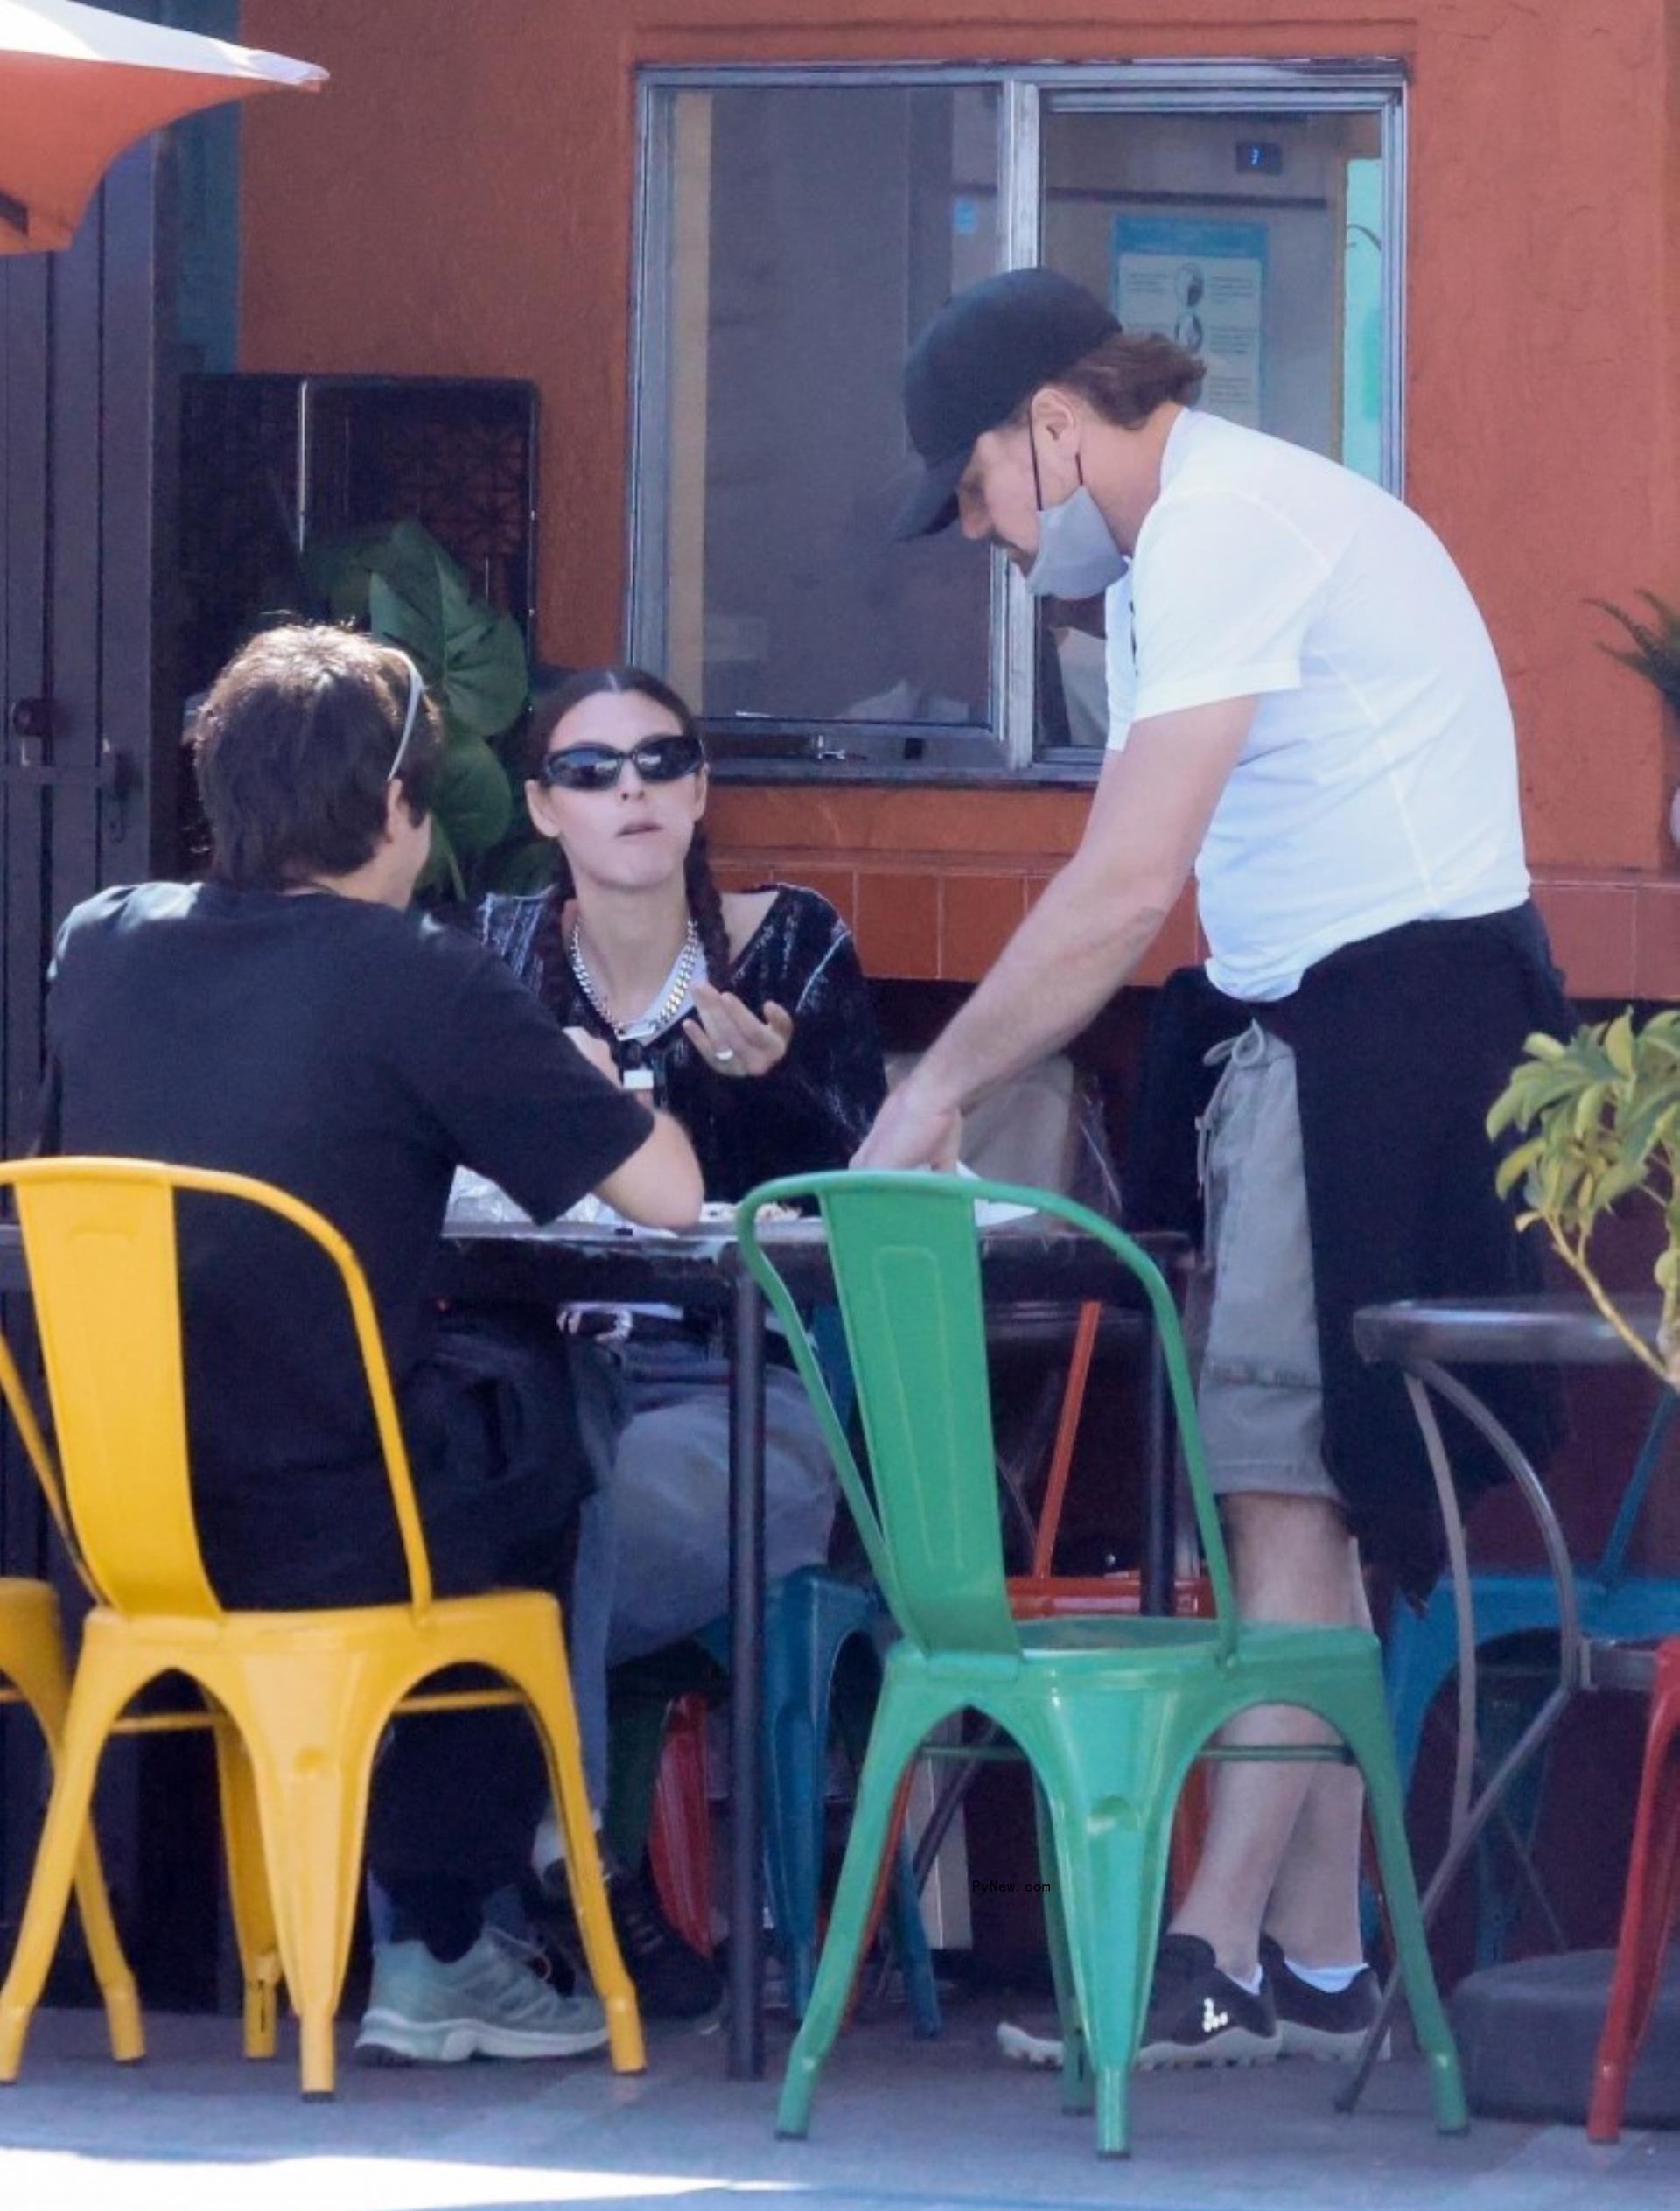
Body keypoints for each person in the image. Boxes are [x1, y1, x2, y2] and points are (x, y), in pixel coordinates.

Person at [858, 267, 1573, 2068]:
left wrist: (928, 1091)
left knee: (1283, 1495)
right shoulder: (1210, 533)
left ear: (1051, 425)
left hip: (1383, 1032)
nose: (992, 543)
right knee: (1299, 1500)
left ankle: (1214, 1944)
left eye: (979, 498)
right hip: (1332, 1027)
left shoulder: (1219, 530)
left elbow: (1121, 883)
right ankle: (1318, 1954)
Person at [38, 623, 703, 2066]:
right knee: (556, 1414)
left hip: (120, 1528)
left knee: (490, 1426)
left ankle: (417, 1913)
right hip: (339, 1524)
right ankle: (448, 1934)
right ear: (403, 806)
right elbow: (669, 1194)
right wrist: (588, 1082)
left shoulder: (100, 943)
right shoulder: (421, 972)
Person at [474, 663, 887, 2015]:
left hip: (740, 1393)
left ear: (703, 789)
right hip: (545, 1381)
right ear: (543, 806)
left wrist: (770, 1097)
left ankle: (547, 1871)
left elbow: (864, 1201)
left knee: (559, 1512)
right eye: (591, 771)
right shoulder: (494, 955)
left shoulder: (792, 946)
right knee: (515, 1490)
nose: (632, 790)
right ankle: (547, 1879)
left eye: (661, 762)